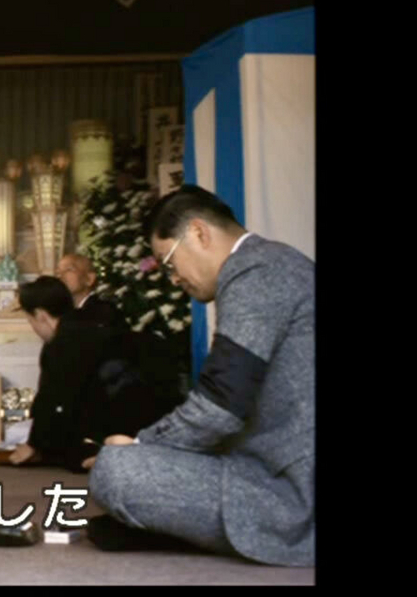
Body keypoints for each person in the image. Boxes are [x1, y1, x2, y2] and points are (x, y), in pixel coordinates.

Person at [87, 185, 315, 567]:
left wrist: (140, 446)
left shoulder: (258, 272)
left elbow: (220, 407)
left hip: (292, 493)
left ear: (198, 233)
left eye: (169, 263)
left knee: (116, 471)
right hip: (269, 465)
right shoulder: (269, 265)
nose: (173, 279)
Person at [8, 277, 169, 472]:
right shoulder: (94, 325)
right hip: (153, 421)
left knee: (72, 452)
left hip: (115, 427)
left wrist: (34, 445)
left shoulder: (62, 343)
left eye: (30, 320)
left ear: (40, 315)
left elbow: (53, 401)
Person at [54, 253, 125, 328]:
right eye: (58, 272)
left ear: (89, 279)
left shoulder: (104, 312)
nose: (60, 276)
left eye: (69, 270)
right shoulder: (59, 312)